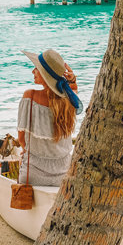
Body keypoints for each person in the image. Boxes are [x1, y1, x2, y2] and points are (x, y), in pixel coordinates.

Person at [17, 49, 82, 187]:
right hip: (63, 174)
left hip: (33, 174)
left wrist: (25, 150)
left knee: (23, 156)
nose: (33, 71)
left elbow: (22, 139)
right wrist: (73, 80)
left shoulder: (30, 96)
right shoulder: (69, 101)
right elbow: (73, 90)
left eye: (36, 68)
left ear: (45, 75)